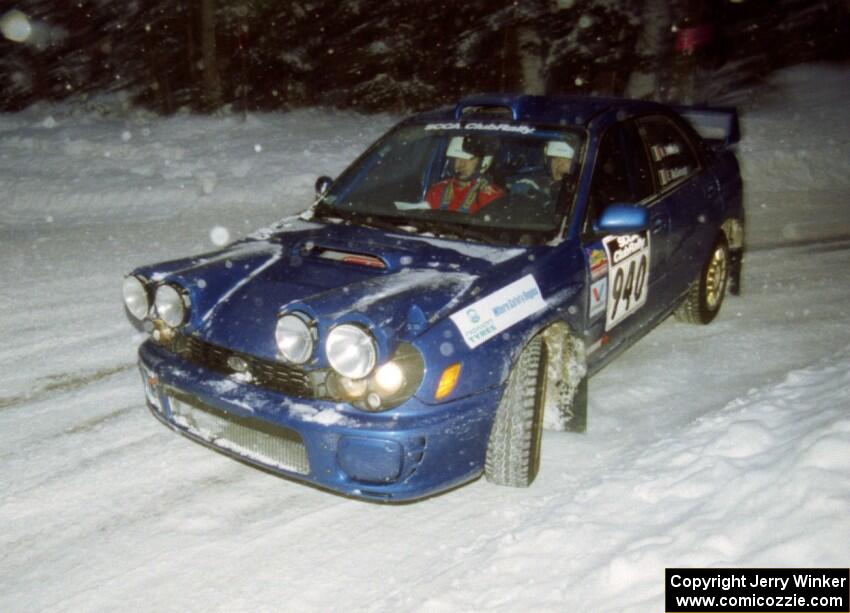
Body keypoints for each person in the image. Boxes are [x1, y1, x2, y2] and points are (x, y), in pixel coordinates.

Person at [425, 135, 505, 215]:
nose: (461, 165)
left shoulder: (490, 196)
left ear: (482, 162)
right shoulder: (437, 191)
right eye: (457, 158)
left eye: (468, 159)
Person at [512, 139, 577, 205]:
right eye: (555, 159)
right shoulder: (533, 184)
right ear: (549, 162)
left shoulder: (578, 191)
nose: (559, 164)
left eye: (566, 160)